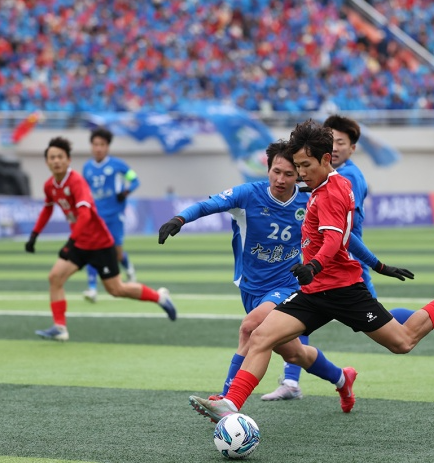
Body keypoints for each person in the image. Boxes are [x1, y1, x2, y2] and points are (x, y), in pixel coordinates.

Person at [189, 120, 434, 423]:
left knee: (403, 341)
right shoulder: (321, 187)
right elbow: (340, 236)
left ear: (325, 159)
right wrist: (376, 266)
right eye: (297, 167)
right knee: (260, 334)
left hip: (343, 290)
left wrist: (313, 265)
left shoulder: (332, 192)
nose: (300, 173)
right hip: (314, 291)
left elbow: (332, 240)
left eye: (305, 166)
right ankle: (231, 404)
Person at [158, 140, 413, 413]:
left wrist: (377, 265)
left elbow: (343, 237)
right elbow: (206, 205)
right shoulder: (248, 194)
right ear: (268, 169)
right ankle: (342, 378)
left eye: (289, 174)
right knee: (295, 353)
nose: (281, 179)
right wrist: (179, 219)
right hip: (251, 288)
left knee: (250, 328)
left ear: (299, 174)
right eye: (276, 171)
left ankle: (225, 400)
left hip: (288, 284)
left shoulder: (309, 199)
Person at [262, 115, 434, 402]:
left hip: (341, 266)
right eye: (332, 141)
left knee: (392, 333)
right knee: (294, 321)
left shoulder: (345, 179)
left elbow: (341, 234)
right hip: (326, 268)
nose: (335, 148)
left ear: (351, 148)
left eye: (341, 143)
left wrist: (374, 265)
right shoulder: (322, 176)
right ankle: (293, 381)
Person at [25, 137, 176, 341]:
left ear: (68, 160)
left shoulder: (77, 181)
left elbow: (85, 215)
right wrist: (34, 235)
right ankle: (60, 328)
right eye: (52, 157)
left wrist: (70, 242)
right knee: (55, 278)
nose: (56, 161)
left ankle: (160, 297)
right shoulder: (50, 186)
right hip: (80, 243)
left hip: (99, 243)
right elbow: (47, 208)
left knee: (117, 289)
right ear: (46, 162)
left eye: (60, 157)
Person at [81, 128, 139, 303]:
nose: (98, 148)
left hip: (114, 215)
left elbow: (135, 180)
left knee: (116, 252)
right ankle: (92, 288)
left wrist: (126, 191)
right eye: (95, 144)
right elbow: (84, 190)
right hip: (96, 216)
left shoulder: (117, 165)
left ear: (107, 147)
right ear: (91, 146)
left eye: (102, 145)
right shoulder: (87, 168)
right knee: (92, 250)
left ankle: (129, 270)